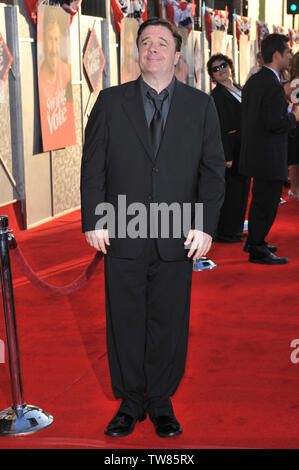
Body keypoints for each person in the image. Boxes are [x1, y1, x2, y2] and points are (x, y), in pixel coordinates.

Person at [80, 17, 225, 437]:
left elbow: (213, 171)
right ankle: (129, 402)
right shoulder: (110, 101)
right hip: (122, 229)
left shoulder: (201, 106)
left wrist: (205, 226)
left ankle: (161, 400)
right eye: (146, 42)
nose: (153, 48)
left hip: (177, 234)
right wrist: (93, 219)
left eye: (163, 42)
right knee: (124, 319)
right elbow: (94, 166)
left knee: (169, 319)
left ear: (177, 56)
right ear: (137, 53)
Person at [239, 33, 299, 265]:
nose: (290, 57)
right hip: (269, 155)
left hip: (256, 153)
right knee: (266, 204)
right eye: (287, 53)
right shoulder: (272, 85)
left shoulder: (255, 80)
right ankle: (257, 247)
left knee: (259, 202)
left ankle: (254, 240)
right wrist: (293, 117)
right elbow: (275, 123)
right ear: (276, 55)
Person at [207, 54, 250, 243]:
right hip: (230, 149)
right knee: (232, 191)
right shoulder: (216, 96)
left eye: (223, 65)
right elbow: (220, 127)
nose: (221, 70)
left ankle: (236, 227)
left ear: (230, 66)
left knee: (243, 189)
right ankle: (226, 231)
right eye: (215, 69)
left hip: (245, 146)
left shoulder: (239, 88)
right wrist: (226, 155)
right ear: (212, 76)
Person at [284, 52, 299, 201]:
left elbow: (283, 95)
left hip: (294, 121)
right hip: (296, 120)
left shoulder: (291, 83)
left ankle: (295, 190)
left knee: (295, 159)